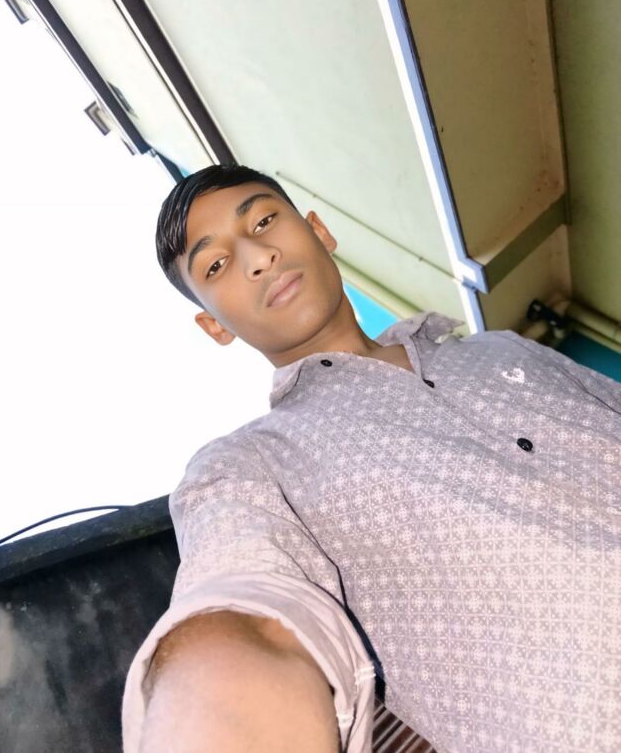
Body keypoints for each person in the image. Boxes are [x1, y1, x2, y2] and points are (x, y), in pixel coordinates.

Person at [122, 163, 621, 753]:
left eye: (263, 221)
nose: (257, 257)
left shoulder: (500, 349)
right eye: (216, 265)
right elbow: (251, 610)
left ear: (318, 231)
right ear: (214, 326)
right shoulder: (248, 464)